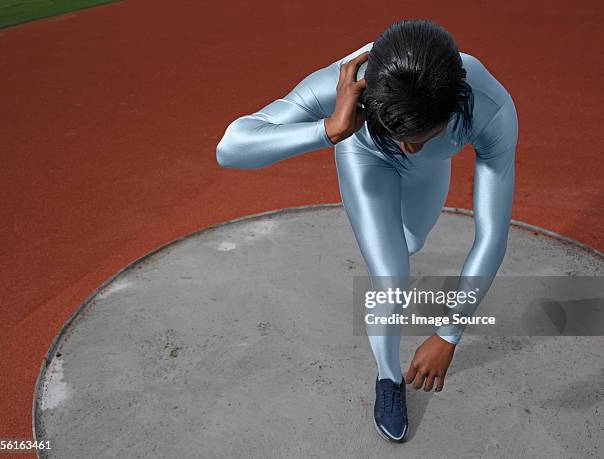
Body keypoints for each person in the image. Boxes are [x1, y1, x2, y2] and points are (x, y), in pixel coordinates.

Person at [215, 19, 518, 443]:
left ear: (454, 107)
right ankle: (388, 379)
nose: (409, 147)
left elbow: (491, 234)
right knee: (392, 278)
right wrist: (329, 131)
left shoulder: (491, 109)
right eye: (402, 135)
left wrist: (449, 332)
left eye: (421, 137)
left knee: (412, 240)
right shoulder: (345, 80)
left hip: (428, 172)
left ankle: (403, 231)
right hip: (364, 155)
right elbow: (229, 149)